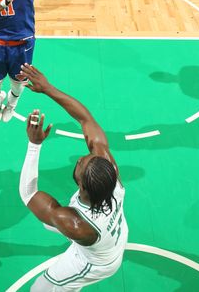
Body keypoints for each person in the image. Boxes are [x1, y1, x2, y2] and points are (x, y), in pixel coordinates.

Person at [17, 63, 127, 291]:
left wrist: (34, 145)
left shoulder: (76, 224)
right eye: (88, 157)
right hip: (109, 235)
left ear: (83, 187)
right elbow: (86, 119)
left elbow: (28, 195)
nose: (81, 158)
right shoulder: (109, 174)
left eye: (81, 164)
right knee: (52, 221)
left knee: (41, 288)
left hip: (95, 261)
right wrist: (47, 88)